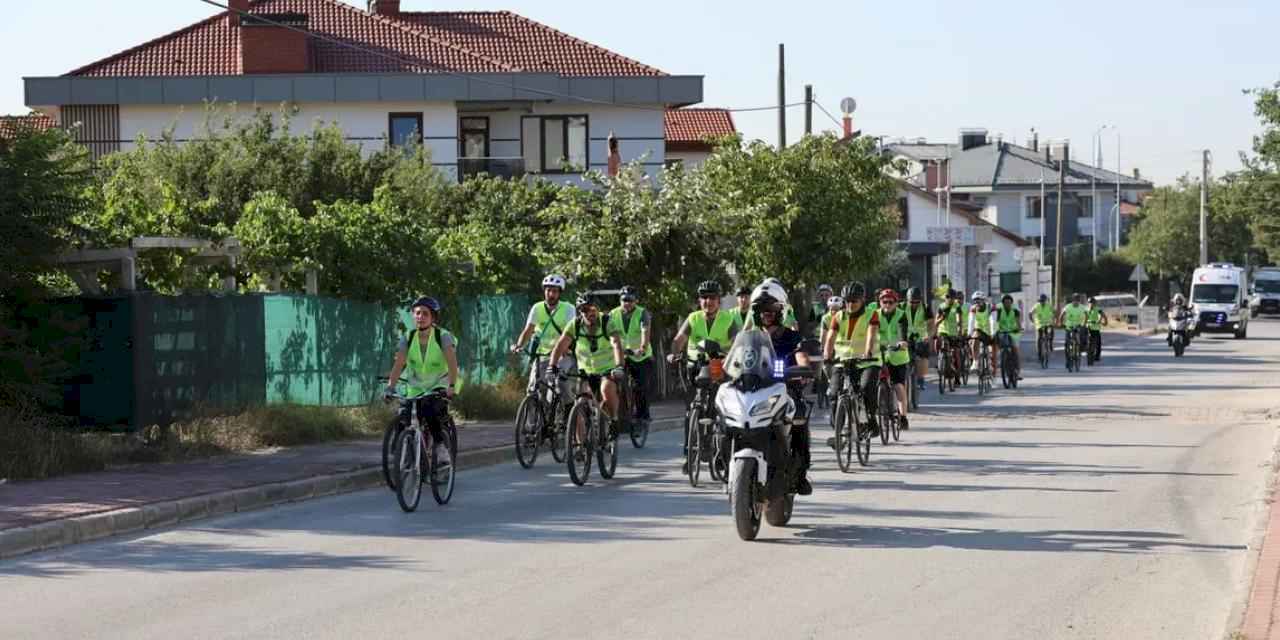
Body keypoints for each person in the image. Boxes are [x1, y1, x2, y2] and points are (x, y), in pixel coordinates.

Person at [749, 279, 813, 496]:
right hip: (754, 392)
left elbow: (801, 356)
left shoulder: (791, 336)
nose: (766, 313)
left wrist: (802, 369)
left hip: (785, 390)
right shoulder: (750, 337)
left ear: (780, 310)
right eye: (761, 309)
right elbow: (735, 358)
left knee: (800, 420)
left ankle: (800, 473)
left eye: (771, 308)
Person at [384, 296, 460, 467]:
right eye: (417, 313)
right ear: (413, 316)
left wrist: (452, 386)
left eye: (425, 314)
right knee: (403, 412)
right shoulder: (408, 338)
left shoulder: (443, 337)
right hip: (416, 387)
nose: (420, 316)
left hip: (441, 384)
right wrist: (390, 387)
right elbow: (399, 364)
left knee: (428, 407)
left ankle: (440, 446)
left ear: (433, 317)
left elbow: (452, 365)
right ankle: (401, 449)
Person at [548, 293, 626, 444]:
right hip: (585, 370)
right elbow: (560, 345)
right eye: (584, 309)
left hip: (607, 368)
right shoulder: (575, 325)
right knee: (579, 405)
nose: (589, 312)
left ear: (597, 309)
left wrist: (619, 366)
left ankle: (614, 420)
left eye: (592, 308)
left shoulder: (607, 321)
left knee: (606, 389)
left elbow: (616, 343)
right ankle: (580, 446)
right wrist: (552, 366)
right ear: (579, 312)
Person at [823, 282, 881, 436]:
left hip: (868, 360)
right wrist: (827, 356)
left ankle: (871, 420)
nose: (850, 304)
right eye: (847, 301)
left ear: (862, 300)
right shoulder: (838, 316)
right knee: (834, 393)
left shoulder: (871, 314)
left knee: (866, 387)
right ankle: (838, 431)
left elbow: (871, 333)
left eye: (854, 301)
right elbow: (830, 338)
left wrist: (868, 351)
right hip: (843, 360)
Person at [511, 274, 574, 399]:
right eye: (548, 290)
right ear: (544, 291)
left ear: (559, 293)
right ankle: (532, 416)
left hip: (562, 354)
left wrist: (566, 349)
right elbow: (528, 330)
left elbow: (571, 334)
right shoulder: (537, 308)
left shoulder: (568, 309)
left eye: (554, 291)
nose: (551, 294)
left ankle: (567, 410)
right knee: (533, 388)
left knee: (559, 384)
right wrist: (519, 345)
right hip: (542, 354)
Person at [607, 286, 652, 424]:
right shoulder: (612, 314)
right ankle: (614, 415)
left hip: (639, 356)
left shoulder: (642, 313)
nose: (627, 303)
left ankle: (642, 416)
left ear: (636, 301)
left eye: (630, 300)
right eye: (624, 300)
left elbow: (645, 332)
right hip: (620, 354)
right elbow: (606, 334)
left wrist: (642, 348)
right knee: (610, 382)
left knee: (640, 386)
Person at [875, 289, 912, 428]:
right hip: (879, 354)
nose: (887, 304)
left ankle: (903, 417)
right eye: (885, 302)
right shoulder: (875, 315)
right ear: (880, 302)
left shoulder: (901, 315)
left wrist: (902, 342)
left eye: (891, 302)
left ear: (896, 303)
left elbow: (903, 331)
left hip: (898, 355)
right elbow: (870, 332)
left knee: (898, 386)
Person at [905, 287, 933, 392]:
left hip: (921, 337)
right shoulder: (902, 307)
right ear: (907, 300)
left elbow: (931, 325)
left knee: (922, 357)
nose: (914, 304)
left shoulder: (926, 307)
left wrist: (928, 336)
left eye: (917, 302)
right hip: (905, 337)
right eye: (911, 302)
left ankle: (921, 378)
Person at [994, 294, 1023, 380]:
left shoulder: (1015, 310)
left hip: (1013, 332)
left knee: (1015, 349)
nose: (1007, 304)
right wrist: (996, 330)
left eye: (1009, 302)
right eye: (1005, 303)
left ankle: (1017, 371)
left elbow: (1018, 323)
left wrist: (1019, 329)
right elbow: (996, 322)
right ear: (1003, 303)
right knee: (999, 347)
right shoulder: (999, 310)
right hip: (1002, 331)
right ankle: (1001, 363)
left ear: (1011, 303)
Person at [968, 291, 998, 373]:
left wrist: (992, 333)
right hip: (980, 330)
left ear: (983, 300)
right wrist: (969, 334)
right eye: (975, 300)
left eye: (979, 300)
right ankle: (975, 362)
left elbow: (993, 321)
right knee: (974, 339)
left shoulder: (991, 307)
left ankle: (994, 373)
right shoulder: (973, 308)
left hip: (991, 331)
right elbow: (971, 321)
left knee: (993, 354)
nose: (976, 302)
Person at [1058, 293, 1089, 367]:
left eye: (1078, 300)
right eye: (1075, 300)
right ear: (1073, 300)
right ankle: (1068, 360)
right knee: (1067, 344)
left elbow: (1086, 315)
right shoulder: (1068, 306)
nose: (1076, 302)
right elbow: (1062, 315)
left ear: (1079, 301)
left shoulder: (1082, 307)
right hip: (1069, 326)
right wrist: (1061, 323)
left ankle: (1079, 350)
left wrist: (1084, 324)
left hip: (1078, 325)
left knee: (1081, 338)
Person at [1086, 296, 1109, 362]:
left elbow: (1102, 315)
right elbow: (1082, 316)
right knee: (1084, 337)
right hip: (1088, 327)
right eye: (1090, 303)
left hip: (1096, 328)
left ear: (1095, 303)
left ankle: (1097, 356)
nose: (1091, 304)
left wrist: (1102, 321)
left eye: (1092, 303)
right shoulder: (1086, 309)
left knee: (1098, 342)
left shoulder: (1098, 309)